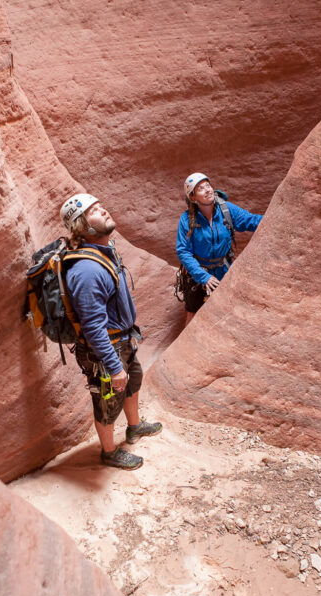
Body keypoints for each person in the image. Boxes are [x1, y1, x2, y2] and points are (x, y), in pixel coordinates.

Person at [60, 192, 162, 470]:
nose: (103, 210)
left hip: (123, 340)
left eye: (100, 206)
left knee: (133, 382)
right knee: (106, 401)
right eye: (94, 210)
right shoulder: (86, 270)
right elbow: (93, 327)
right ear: (82, 225)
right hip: (106, 348)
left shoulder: (104, 250)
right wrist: (114, 366)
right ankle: (108, 451)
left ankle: (134, 427)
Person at [175, 172, 262, 325]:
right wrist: (203, 277)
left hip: (223, 269)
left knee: (228, 311)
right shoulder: (187, 219)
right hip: (197, 274)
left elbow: (250, 221)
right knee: (193, 314)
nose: (208, 190)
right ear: (193, 197)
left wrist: (277, 217)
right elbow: (184, 251)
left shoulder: (226, 210)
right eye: (201, 188)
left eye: (208, 186)